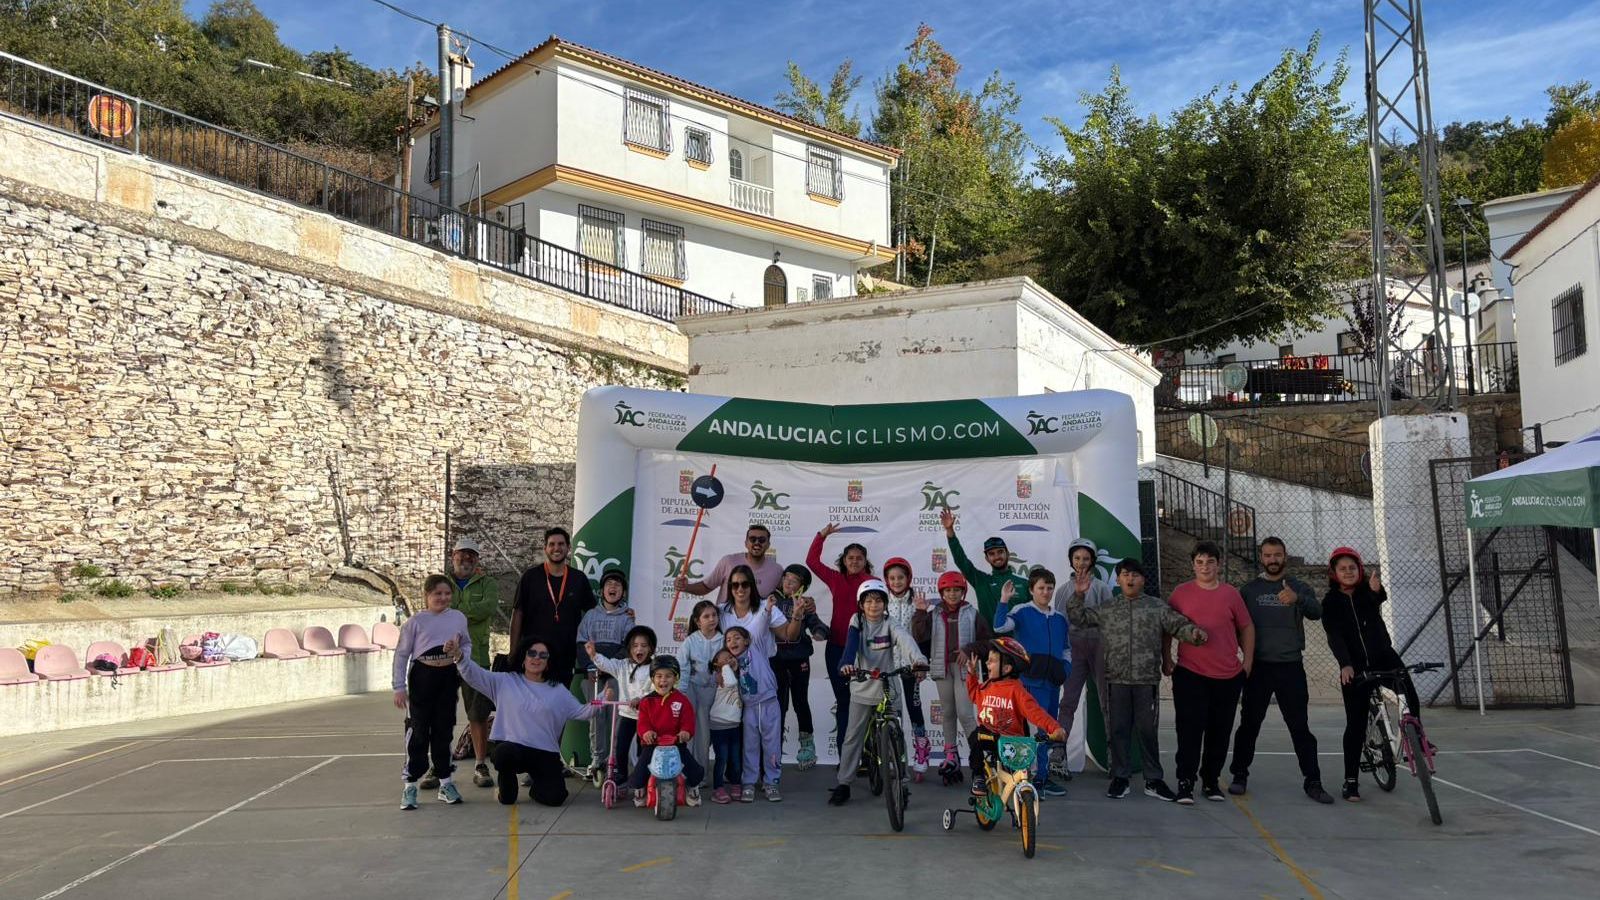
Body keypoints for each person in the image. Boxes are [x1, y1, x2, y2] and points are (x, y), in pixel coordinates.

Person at [1066, 558, 1205, 802]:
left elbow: (1177, 624)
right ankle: (1120, 778)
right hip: (1115, 680)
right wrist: (1078, 594)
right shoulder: (1108, 608)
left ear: (1144, 579)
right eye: (1125, 575)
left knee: (1147, 731)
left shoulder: (1156, 607)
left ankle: (1153, 779)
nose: (1130, 579)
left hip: (1146, 681)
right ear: (1118, 580)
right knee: (1118, 731)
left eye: (1136, 575)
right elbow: (1078, 618)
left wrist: (1194, 634)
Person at [1228, 538, 1334, 804]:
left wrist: (1297, 599)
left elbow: (1317, 612)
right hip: (1258, 668)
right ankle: (1239, 775)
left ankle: (1313, 781)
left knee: (1299, 727)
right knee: (1249, 725)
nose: (1272, 559)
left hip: (1290, 667)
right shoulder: (1249, 591)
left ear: (1285, 556)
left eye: (1277, 555)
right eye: (1267, 555)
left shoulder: (1298, 586)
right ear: (1261, 558)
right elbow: (1235, 625)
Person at [444, 635, 608, 807]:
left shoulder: (558, 690)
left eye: (543, 655)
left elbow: (583, 711)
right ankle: (507, 788)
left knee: (555, 798)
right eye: (532, 653)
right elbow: (474, 675)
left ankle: (536, 787)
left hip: (544, 752)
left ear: (548, 662)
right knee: (503, 756)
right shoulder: (504, 681)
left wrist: (603, 697)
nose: (536, 658)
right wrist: (460, 656)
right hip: (513, 749)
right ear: (523, 657)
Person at [1323, 547, 1420, 803]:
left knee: (1407, 690)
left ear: (1360, 570)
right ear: (1334, 573)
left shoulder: (1367, 592)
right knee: (1355, 725)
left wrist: (1377, 590)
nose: (1348, 572)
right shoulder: (1331, 602)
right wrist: (1345, 664)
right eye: (1342, 569)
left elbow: (1378, 599)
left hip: (1383, 658)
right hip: (1355, 667)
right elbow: (1335, 636)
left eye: (1352, 568)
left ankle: (1417, 741)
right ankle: (1351, 780)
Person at [1165, 541, 1255, 805]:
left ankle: (1211, 780)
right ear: (1193, 564)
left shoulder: (1231, 594)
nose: (1205, 567)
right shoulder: (1180, 593)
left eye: (1210, 562)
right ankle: (1185, 781)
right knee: (1189, 729)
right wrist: (1166, 658)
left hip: (1226, 676)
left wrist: (1247, 662)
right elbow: (1167, 628)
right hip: (1190, 673)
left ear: (1218, 564)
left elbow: (1247, 627)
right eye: (1200, 562)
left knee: (1220, 730)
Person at [830, 579, 928, 806]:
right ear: (861, 605)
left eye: (878, 601)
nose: (874, 606)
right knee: (853, 736)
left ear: (885, 604)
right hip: (863, 684)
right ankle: (844, 783)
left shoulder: (891, 623)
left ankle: (901, 781)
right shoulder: (857, 621)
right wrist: (846, 663)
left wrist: (919, 660)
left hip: (888, 686)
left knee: (897, 734)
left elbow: (906, 641)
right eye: (868, 601)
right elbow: (851, 646)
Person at [393, 574, 472, 810]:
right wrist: (399, 687)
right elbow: (401, 655)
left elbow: (466, 644)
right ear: (427, 595)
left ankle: (445, 782)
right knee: (418, 731)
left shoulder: (458, 618)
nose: (443, 598)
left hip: (447, 678)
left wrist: (459, 653)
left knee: (443, 730)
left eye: (447, 593)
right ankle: (410, 786)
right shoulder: (416, 622)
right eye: (438, 593)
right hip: (422, 679)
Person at [993, 570, 1072, 797]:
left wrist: (1065, 669)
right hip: (1029, 683)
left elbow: (1067, 648)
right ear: (1031, 590)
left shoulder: (1059, 618)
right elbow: (999, 627)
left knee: (1048, 731)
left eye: (1049, 588)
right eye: (1041, 588)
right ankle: (1022, 777)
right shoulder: (1022, 611)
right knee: (1025, 732)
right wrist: (1004, 600)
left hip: (1052, 684)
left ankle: (1042, 778)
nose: (1046, 592)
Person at [911, 570, 990, 781]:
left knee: (965, 713)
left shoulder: (972, 613)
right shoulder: (934, 613)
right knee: (947, 712)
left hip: (965, 669)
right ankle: (951, 756)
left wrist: (969, 648)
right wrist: (920, 612)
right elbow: (919, 636)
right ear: (942, 592)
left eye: (956, 590)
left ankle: (979, 759)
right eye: (948, 590)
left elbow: (987, 642)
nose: (952, 594)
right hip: (942, 668)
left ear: (963, 592)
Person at [965, 636, 1067, 796]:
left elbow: (1036, 712)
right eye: (988, 660)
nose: (986, 664)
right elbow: (974, 695)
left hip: (1012, 742)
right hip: (989, 738)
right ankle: (978, 776)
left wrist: (1054, 727)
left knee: (1020, 775)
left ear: (1006, 669)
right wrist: (971, 675)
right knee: (975, 737)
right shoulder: (986, 686)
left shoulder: (1016, 690)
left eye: (991, 661)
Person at [806, 523, 876, 752]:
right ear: (844, 560)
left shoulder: (872, 584)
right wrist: (821, 535)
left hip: (864, 652)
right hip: (836, 649)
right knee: (844, 703)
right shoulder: (836, 579)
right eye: (850, 558)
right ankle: (845, 757)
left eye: (859, 558)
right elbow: (812, 562)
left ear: (865, 561)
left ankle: (867, 755)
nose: (854, 561)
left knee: (865, 704)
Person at [443, 538, 500, 791]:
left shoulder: (488, 584)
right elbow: (437, 607)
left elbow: (487, 608)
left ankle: (479, 763)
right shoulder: (442, 582)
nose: (466, 559)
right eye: (462, 554)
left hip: (475, 657)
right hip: (441, 658)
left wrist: (455, 610)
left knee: (477, 714)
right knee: (440, 714)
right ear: (453, 555)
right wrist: (467, 611)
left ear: (477, 559)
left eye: (471, 555)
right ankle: (439, 765)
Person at [1054, 537, 1112, 781]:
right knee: (1068, 702)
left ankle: (1114, 755)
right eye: (1077, 558)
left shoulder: (1101, 588)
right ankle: (1058, 755)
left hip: (1099, 647)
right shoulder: (1063, 590)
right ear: (1071, 560)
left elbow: (1110, 621)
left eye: (1086, 559)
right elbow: (1057, 622)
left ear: (1093, 562)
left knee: (1107, 701)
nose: (1081, 563)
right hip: (1074, 649)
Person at [510, 527, 596, 688]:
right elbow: (518, 613)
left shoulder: (578, 579)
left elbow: (593, 613)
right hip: (533, 654)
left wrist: (622, 611)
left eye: (561, 544)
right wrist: (514, 651)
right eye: (552, 544)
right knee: (532, 701)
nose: (556, 548)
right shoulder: (530, 577)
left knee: (559, 703)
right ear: (545, 548)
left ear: (568, 548)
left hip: (565, 653)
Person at [576, 567, 635, 780]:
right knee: (596, 716)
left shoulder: (627, 618)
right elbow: (581, 642)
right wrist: (590, 667)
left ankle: (615, 759)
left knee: (616, 716)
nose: (613, 587)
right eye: (609, 584)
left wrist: (609, 666)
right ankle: (597, 759)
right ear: (602, 590)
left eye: (618, 585)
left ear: (623, 592)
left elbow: (628, 646)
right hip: (592, 674)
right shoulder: (591, 616)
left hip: (615, 674)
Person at [768, 564, 829, 771]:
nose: (787, 582)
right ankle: (775, 747)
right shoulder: (771, 600)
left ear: (802, 587)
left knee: (800, 701)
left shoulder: (804, 604)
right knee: (778, 703)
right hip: (775, 659)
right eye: (786, 578)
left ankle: (807, 747)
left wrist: (820, 632)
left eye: (793, 581)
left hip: (799, 659)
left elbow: (816, 623)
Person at [627, 656, 704, 808]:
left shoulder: (682, 700)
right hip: (652, 745)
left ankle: (692, 788)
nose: (663, 680)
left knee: (696, 772)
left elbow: (688, 721)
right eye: (659, 676)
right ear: (653, 679)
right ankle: (640, 790)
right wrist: (647, 732)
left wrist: (685, 732)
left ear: (676, 678)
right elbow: (642, 723)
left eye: (668, 676)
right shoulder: (646, 702)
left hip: (676, 744)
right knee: (638, 775)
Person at [585, 625, 657, 787]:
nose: (639, 649)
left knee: (643, 749)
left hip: (646, 717)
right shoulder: (623, 665)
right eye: (635, 646)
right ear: (629, 649)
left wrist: (641, 698)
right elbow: (607, 665)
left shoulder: (654, 668)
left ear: (651, 649)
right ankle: (622, 774)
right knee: (620, 747)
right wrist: (594, 655)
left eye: (644, 646)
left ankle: (643, 777)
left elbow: (656, 689)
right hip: (626, 714)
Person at [726, 623, 785, 802]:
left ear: (747, 641)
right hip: (750, 709)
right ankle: (749, 783)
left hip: (769, 705)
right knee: (750, 747)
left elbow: (760, 626)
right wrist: (732, 668)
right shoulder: (732, 663)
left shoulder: (757, 649)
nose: (732, 642)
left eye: (737, 638)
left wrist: (766, 610)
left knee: (772, 745)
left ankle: (771, 782)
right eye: (728, 640)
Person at [883, 556, 931, 778]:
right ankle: (897, 755)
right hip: (889, 666)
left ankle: (922, 752)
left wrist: (922, 664)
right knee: (894, 712)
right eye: (892, 578)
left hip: (911, 666)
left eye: (900, 577)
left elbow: (923, 639)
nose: (896, 581)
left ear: (908, 578)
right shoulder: (880, 602)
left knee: (914, 709)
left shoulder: (917, 602)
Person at [939, 506, 1027, 624]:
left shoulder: (1024, 583)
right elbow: (961, 560)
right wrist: (950, 532)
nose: (997, 557)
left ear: (1007, 554)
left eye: (1000, 552)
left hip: (1017, 641)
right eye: (992, 554)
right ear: (987, 558)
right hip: (988, 641)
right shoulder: (981, 581)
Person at [676, 600, 723, 790]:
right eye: (706, 616)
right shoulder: (690, 641)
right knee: (689, 733)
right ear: (697, 621)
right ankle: (687, 772)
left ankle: (701, 775)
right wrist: (682, 694)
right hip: (691, 690)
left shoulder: (723, 639)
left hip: (715, 692)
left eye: (714, 615)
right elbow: (683, 669)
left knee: (705, 735)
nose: (712, 619)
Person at [675, 523, 784, 603]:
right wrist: (686, 587)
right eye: (752, 539)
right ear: (746, 543)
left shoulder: (777, 570)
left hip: (758, 629)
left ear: (768, 545)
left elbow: (785, 596)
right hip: (727, 627)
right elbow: (706, 587)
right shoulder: (729, 561)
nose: (757, 543)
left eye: (761, 540)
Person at [720, 564, 789, 660]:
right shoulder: (720, 611)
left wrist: (797, 616)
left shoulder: (767, 606)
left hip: (763, 668)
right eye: (735, 585)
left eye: (745, 584)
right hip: (732, 668)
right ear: (730, 587)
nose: (740, 589)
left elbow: (788, 634)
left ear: (752, 585)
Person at [707, 647, 744, 803]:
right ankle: (718, 788)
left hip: (734, 725)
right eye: (725, 658)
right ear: (716, 663)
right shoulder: (720, 675)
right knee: (722, 758)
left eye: (731, 657)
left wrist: (735, 669)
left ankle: (735, 784)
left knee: (735, 758)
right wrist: (729, 667)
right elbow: (730, 682)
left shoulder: (733, 674)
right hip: (719, 726)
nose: (729, 659)